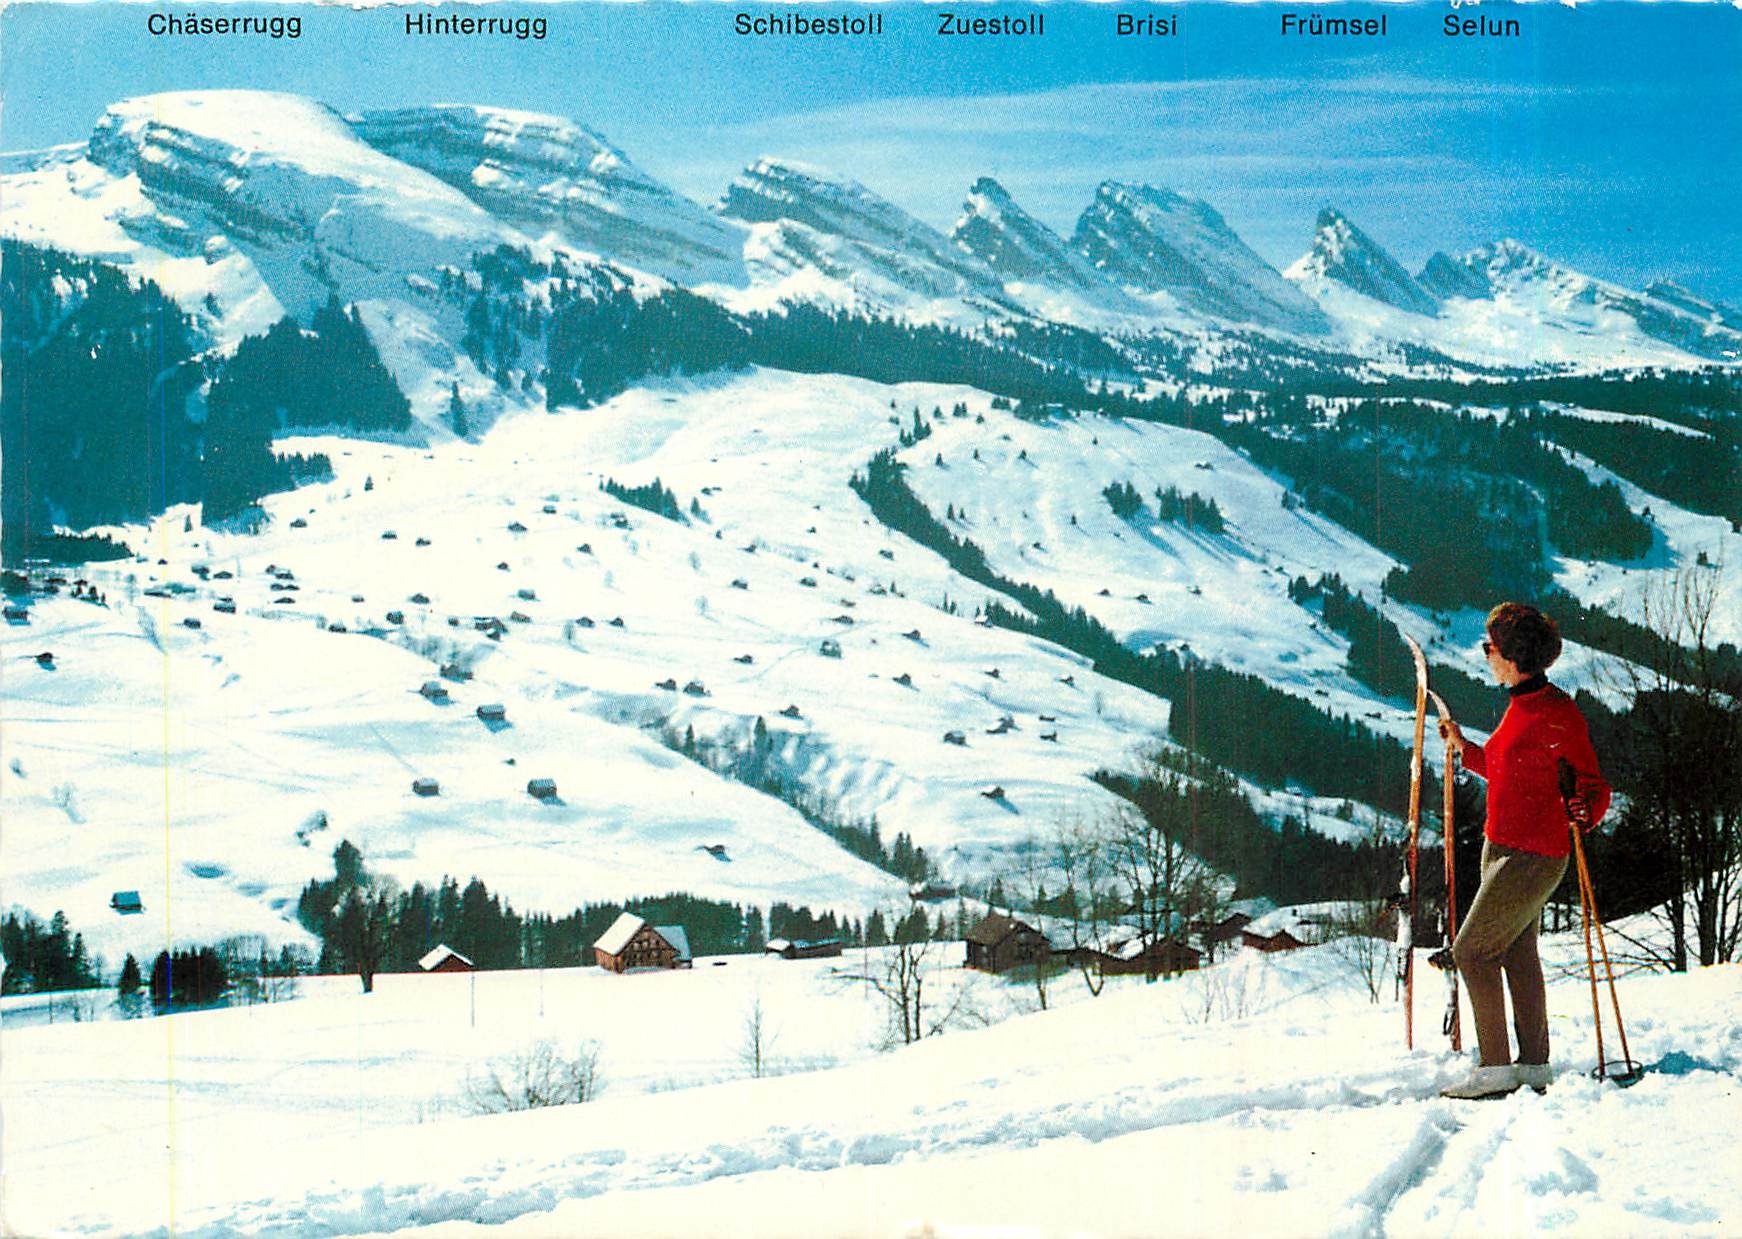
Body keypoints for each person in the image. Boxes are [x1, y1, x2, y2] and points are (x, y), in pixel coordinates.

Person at [1435, 602, 1610, 1099]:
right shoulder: (1522, 703)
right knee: (1517, 952)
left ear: (1511, 655)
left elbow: (1595, 786)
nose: (1485, 654)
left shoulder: (1557, 712)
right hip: (1503, 847)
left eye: (1489, 647)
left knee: (1471, 952)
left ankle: (1493, 1070)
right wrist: (1462, 748)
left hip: (1533, 856)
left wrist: (1586, 809)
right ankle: (1533, 1067)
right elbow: (1508, 770)